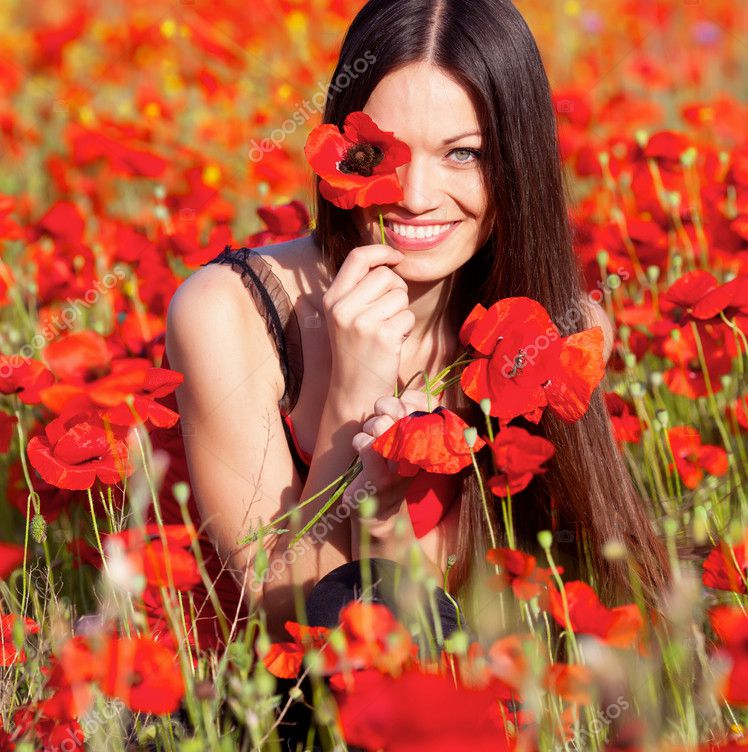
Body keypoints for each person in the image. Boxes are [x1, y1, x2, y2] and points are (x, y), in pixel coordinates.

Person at [157, 0, 670, 653]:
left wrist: (383, 522)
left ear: (517, 162)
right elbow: (291, 616)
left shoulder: (557, 333)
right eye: (380, 153)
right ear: (341, 152)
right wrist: (350, 395)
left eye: (463, 154)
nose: (417, 194)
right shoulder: (228, 313)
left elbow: (463, 621)